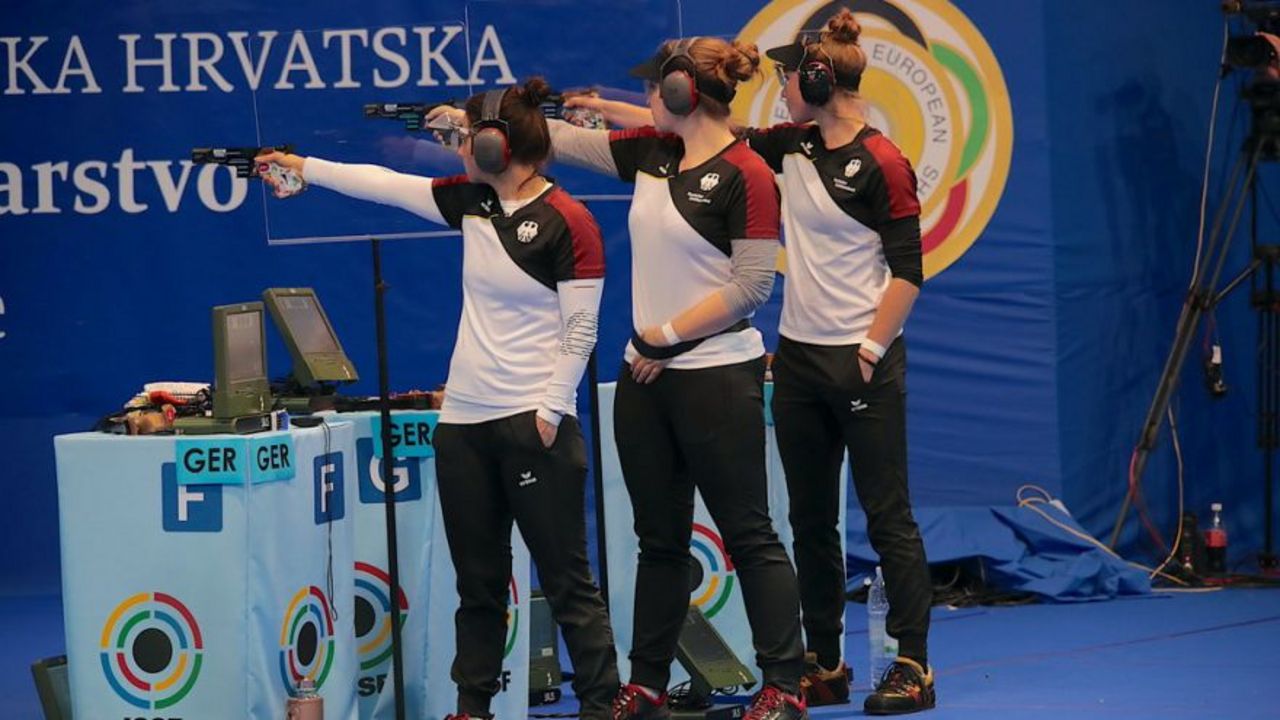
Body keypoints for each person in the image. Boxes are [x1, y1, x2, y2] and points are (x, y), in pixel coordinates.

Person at [563, 11, 935, 715]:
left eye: (792, 76)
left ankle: (912, 663)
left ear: (819, 80)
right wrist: (602, 105)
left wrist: (871, 347)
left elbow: (908, 273)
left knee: (887, 515)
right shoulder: (787, 144)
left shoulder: (883, 162)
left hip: (862, 361)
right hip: (795, 361)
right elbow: (695, 125)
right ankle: (822, 661)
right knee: (812, 521)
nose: (784, 87)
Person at [257, 78, 620, 720]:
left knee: (568, 584)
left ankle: (599, 704)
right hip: (464, 428)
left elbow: (581, 329)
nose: (455, 147)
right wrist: (302, 167)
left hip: (534, 425)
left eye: (467, 136)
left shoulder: (571, 221)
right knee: (477, 587)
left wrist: (550, 409)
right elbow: (383, 184)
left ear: (493, 146)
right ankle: (472, 707)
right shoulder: (472, 203)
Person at [481, 36, 809, 720]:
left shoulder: (747, 172)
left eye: (655, 89)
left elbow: (751, 287)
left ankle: (784, 687)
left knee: (750, 535)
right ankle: (649, 686)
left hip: (715, 376)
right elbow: (563, 144)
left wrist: (663, 335)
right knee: (657, 542)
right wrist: (487, 123)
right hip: (648, 380)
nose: (649, 99)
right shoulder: (652, 154)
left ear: (686, 92)